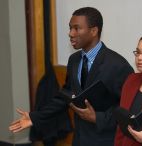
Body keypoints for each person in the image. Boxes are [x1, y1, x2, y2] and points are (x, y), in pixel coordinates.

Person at [9, 7, 134, 146]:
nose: (71, 33)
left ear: (94, 31)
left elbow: (129, 107)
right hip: (79, 140)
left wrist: (97, 118)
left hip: (106, 141)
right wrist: (35, 117)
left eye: (76, 28)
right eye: (70, 28)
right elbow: (66, 97)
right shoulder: (74, 60)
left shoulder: (117, 65)